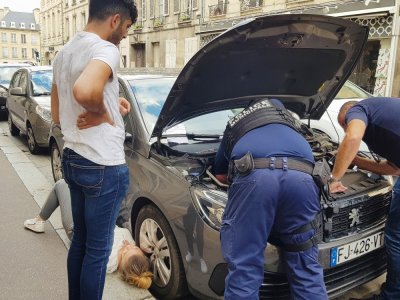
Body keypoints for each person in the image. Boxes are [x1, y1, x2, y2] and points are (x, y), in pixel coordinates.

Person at [50, 1, 138, 298]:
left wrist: (113, 106)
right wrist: (100, 112)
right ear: (115, 20)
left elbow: (58, 114)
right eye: (126, 28)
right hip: (103, 165)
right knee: (98, 251)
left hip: (73, 156)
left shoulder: (64, 52)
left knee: (81, 244)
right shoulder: (106, 49)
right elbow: (85, 91)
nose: (125, 36)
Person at [214, 98, 327, 299]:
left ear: (250, 108)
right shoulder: (292, 123)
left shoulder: (236, 123)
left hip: (257, 179)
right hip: (303, 181)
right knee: (306, 266)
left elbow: (221, 175)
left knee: (245, 268)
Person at [329, 98, 400, 300]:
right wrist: (356, 161)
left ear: (347, 116)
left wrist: (335, 178)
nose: (345, 130)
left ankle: (392, 296)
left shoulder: (359, 109)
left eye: (344, 125)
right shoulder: (385, 118)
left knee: (396, 237)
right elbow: (395, 169)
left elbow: (352, 139)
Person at [24, 179, 152, 289]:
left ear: (121, 263)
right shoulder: (128, 246)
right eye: (134, 247)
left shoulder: (107, 262)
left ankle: (39, 221)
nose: (129, 245)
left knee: (61, 185)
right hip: (93, 218)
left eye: (127, 250)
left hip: (77, 227)